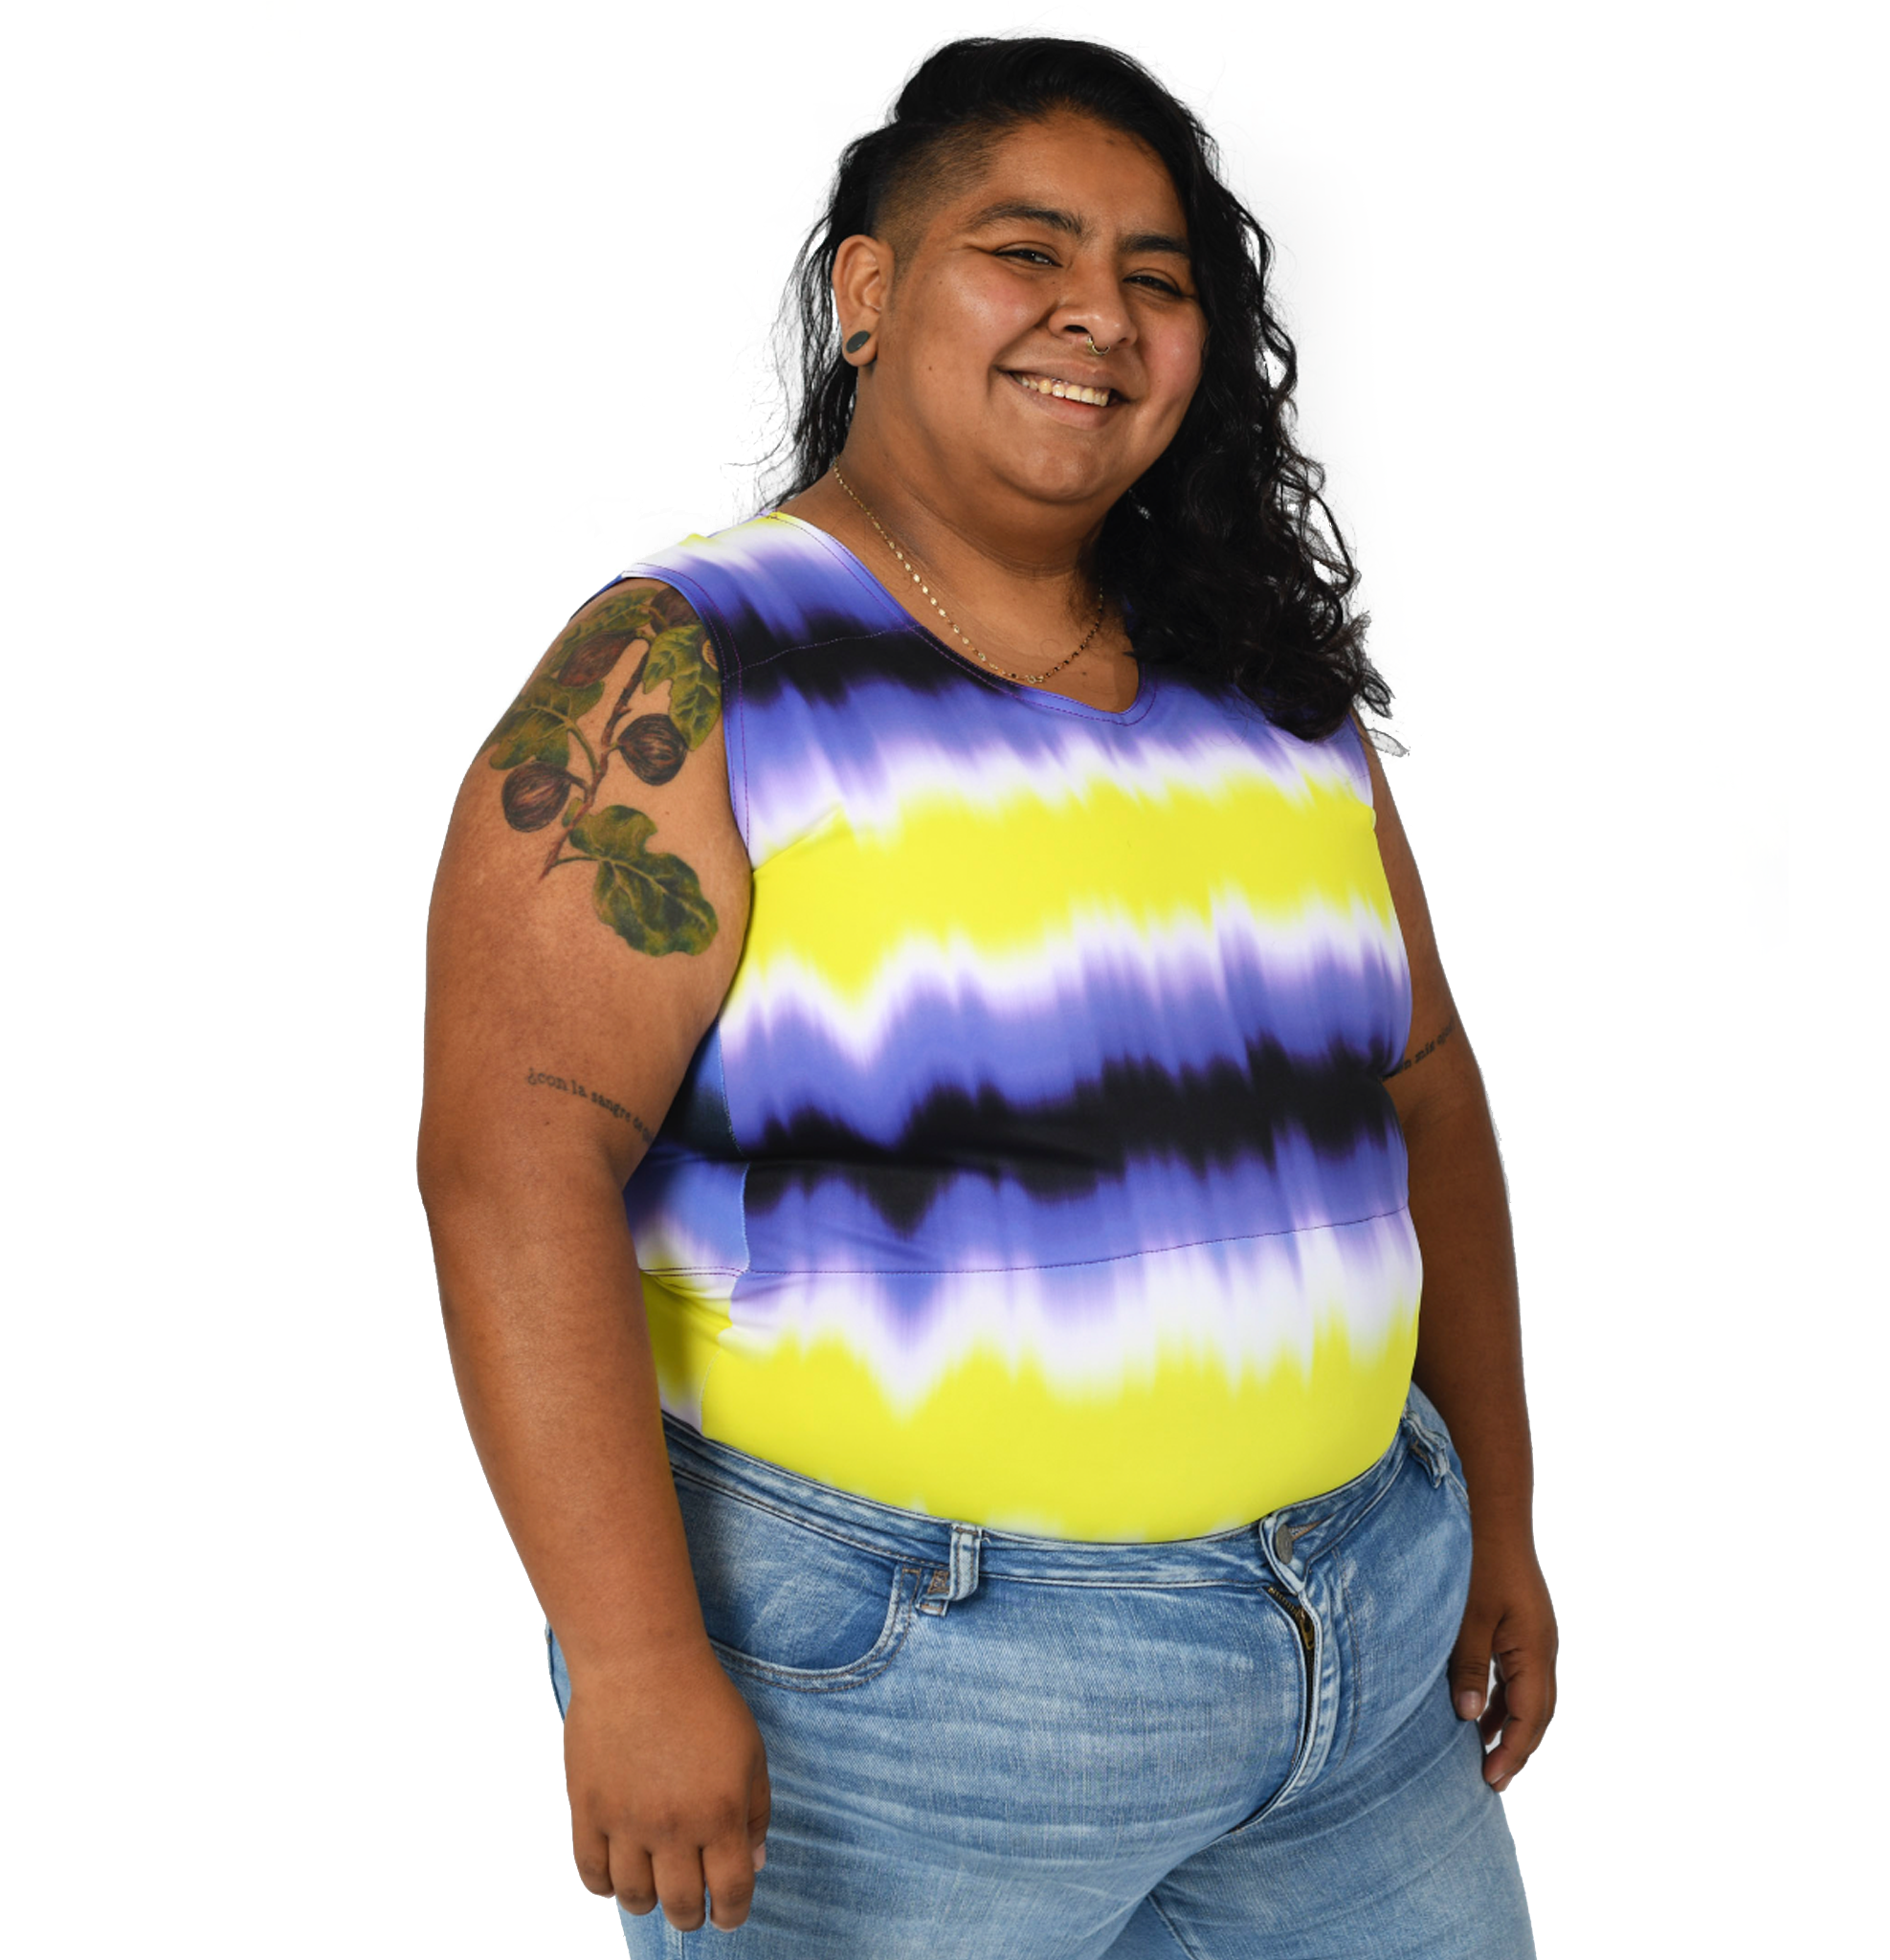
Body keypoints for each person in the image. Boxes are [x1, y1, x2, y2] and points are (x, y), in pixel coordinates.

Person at [418, 34, 1557, 1958]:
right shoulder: (688, 670)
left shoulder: (1271, 693)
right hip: (902, 1708)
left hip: (1360, 1652)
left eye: (1156, 276)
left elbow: (1423, 1090)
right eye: (1026, 252)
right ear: (866, 291)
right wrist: (632, 1657)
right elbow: (510, 1161)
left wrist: (1497, 1517)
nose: (1097, 312)